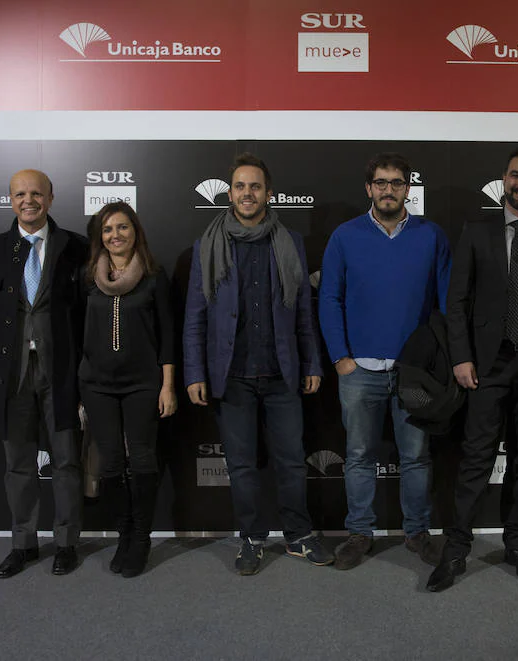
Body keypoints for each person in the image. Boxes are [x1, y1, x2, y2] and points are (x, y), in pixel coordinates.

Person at [429, 147, 518, 591]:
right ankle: (455, 551)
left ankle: (516, 544)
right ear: (504, 180)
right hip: (487, 365)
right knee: (475, 460)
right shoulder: (476, 231)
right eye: (516, 175)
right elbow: (456, 302)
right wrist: (460, 356)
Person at [183, 152, 332, 575]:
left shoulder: (291, 243)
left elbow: (304, 311)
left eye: (255, 186)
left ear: (269, 193)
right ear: (230, 193)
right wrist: (194, 372)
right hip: (231, 376)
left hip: (283, 373)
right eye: (240, 186)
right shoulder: (207, 245)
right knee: (243, 466)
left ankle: (299, 536)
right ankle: (250, 540)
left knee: (290, 461)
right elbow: (195, 316)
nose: (247, 193)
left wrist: (312, 363)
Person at [319, 152, 452, 570]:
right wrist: (341, 357)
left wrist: (440, 360)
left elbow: (446, 303)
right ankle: (360, 532)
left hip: (415, 372)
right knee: (358, 455)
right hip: (359, 371)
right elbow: (329, 298)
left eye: (396, 183)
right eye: (381, 182)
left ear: (408, 189)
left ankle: (417, 533)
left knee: (415, 456)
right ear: (369, 188)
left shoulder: (432, 236)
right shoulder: (344, 236)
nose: (389, 190)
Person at [0, 169, 88, 578]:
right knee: (18, 463)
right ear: (10, 200)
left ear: (51, 198)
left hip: (61, 373)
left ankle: (67, 543)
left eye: (36, 193)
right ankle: (23, 544)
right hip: (12, 375)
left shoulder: (78, 248)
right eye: (20, 194)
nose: (29, 201)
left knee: (67, 462)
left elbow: (86, 313)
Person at [79, 201, 176, 578]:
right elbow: (74, 333)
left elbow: (168, 336)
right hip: (96, 385)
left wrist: (168, 386)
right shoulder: (87, 277)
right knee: (111, 463)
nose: (115, 235)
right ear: (99, 237)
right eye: (107, 229)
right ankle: (123, 535)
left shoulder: (154, 276)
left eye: (122, 227)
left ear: (135, 231)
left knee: (141, 459)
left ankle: (141, 537)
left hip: (142, 384)